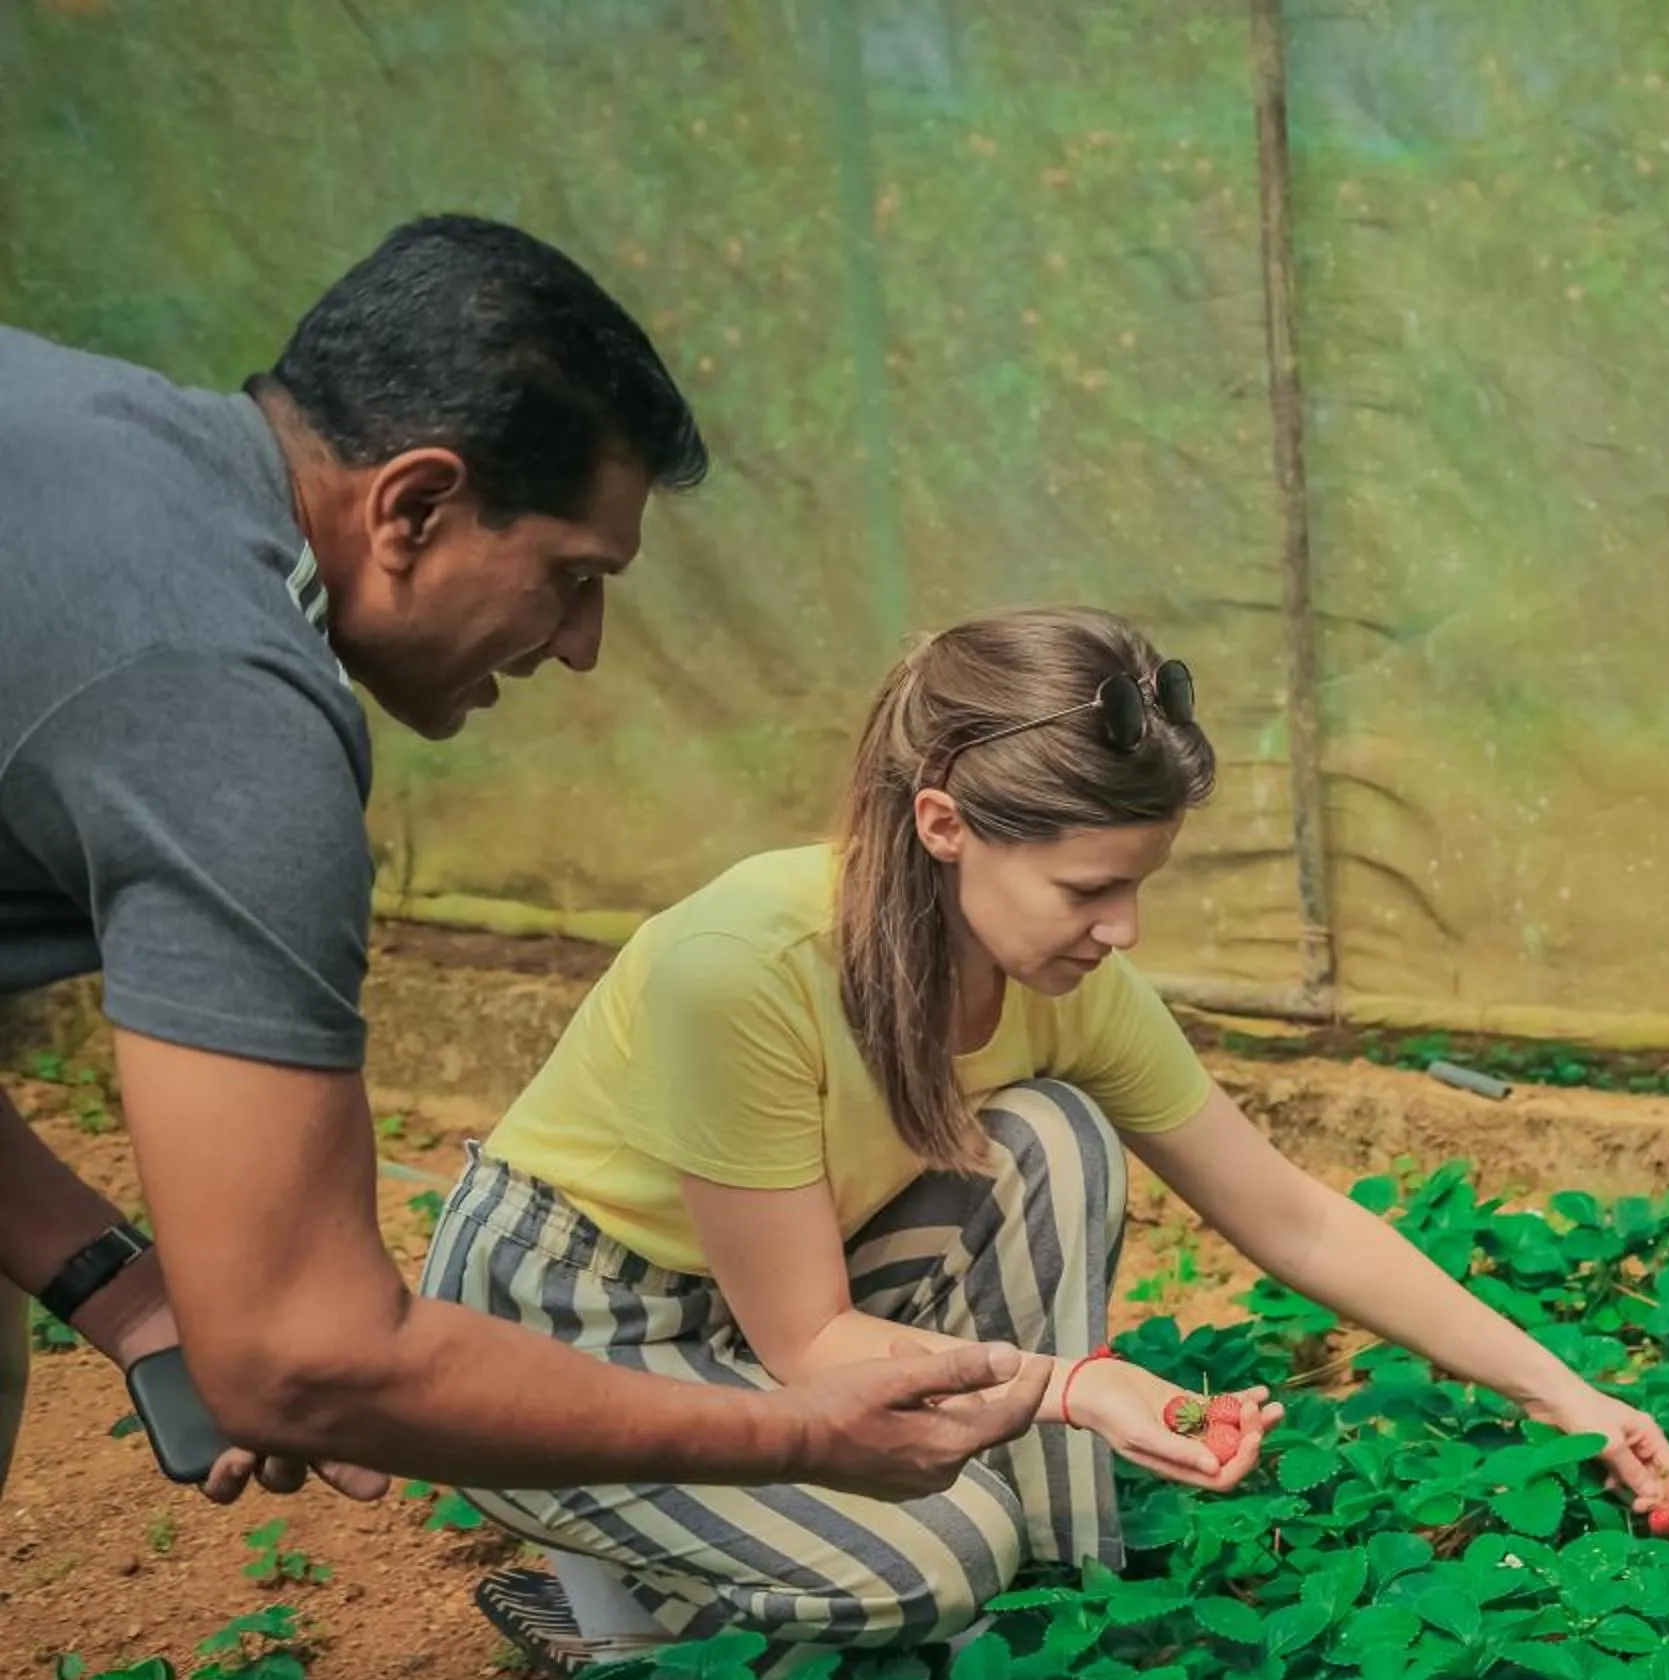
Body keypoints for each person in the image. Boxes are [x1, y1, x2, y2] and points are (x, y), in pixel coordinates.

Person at [0, 215, 1046, 1512]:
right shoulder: (222, 710)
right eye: (571, 577)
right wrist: (797, 1438)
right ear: (417, 505)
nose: (583, 643)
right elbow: (298, 1358)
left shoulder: (83, 441)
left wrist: (121, 1287)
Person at [425, 606, 1669, 1673]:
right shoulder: (745, 965)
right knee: (939, 1554)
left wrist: (1569, 1396)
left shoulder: (1061, 980)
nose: (1124, 929)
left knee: (1056, 1133)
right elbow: (804, 1340)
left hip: (755, 1296)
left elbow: (1289, 1213)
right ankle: (622, 1620)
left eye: (1140, 883)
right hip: (566, 1328)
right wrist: (1077, 1385)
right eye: (1090, 889)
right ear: (943, 825)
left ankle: (1051, 1625)